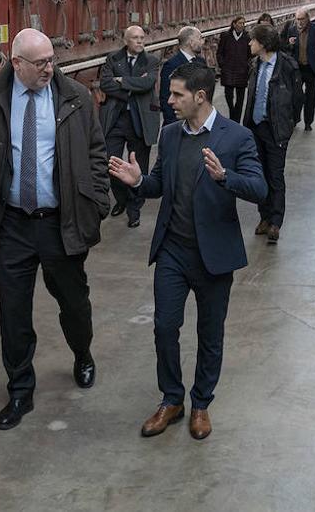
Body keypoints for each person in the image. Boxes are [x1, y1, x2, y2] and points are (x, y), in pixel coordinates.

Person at [0, 28, 111, 430]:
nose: (48, 68)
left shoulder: (73, 95)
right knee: (14, 312)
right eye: (40, 63)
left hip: (62, 223)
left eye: (51, 60)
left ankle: (82, 351)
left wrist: (96, 201)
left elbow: (96, 151)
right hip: (11, 225)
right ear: (15, 62)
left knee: (74, 303)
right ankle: (20, 389)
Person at [108, 63, 266, 441]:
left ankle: (201, 404)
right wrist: (138, 182)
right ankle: (172, 398)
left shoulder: (236, 137)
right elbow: (160, 182)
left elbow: (259, 189)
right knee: (164, 327)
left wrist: (226, 177)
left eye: (177, 94)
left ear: (200, 96)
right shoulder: (172, 135)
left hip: (213, 254)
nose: (169, 100)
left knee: (210, 334)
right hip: (173, 251)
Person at [242, 23, 299, 244]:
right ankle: (264, 217)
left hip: (276, 130)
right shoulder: (255, 64)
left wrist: (289, 125)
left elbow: (296, 101)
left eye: (253, 40)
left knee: (275, 176)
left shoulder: (287, 66)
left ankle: (276, 222)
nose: (249, 43)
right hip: (255, 128)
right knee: (259, 175)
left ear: (263, 44)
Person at [99, 25, 160, 228]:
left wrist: (122, 80)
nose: (140, 41)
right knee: (111, 163)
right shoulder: (112, 59)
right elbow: (105, 84)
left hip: (140, 120)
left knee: (139, 166)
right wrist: (133, 87)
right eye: (135, 38)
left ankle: (135, 209)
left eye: (142, 38)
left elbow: (148, 84)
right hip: (116, 119)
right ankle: (122, 199)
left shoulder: (151, 61)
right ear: (126, 41)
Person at [282, 6, 315, 131]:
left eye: (301, 19)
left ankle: (308, 122)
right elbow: (286, 49)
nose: (299, 22)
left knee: (310, 97)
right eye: (297, 19)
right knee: (295, 96)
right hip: (297, 69)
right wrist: (289, 44)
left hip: (311, 68)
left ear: (307, 18)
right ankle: (295, 119)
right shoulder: (292, 30)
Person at [159, 25, 205, 124]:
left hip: (199, 120)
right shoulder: (171, 65)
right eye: (200, 38)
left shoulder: (201, 62)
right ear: (191, 42)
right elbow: (165, 96)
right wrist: (173, 122)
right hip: (179, 121)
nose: (202, 42)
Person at [214, 15, 251, 122]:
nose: (242, 25)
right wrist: (223, 64)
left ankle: (236, 120)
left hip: (242, 71)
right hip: (228, 70)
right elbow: (219, 52)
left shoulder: (247, 37)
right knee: (228, 96)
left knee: (240, 98)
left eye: (244, 23)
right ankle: (232, 111)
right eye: (240, 23)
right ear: (234, 24)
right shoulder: (226, 36)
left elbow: (250, 54)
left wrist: (246, 65)